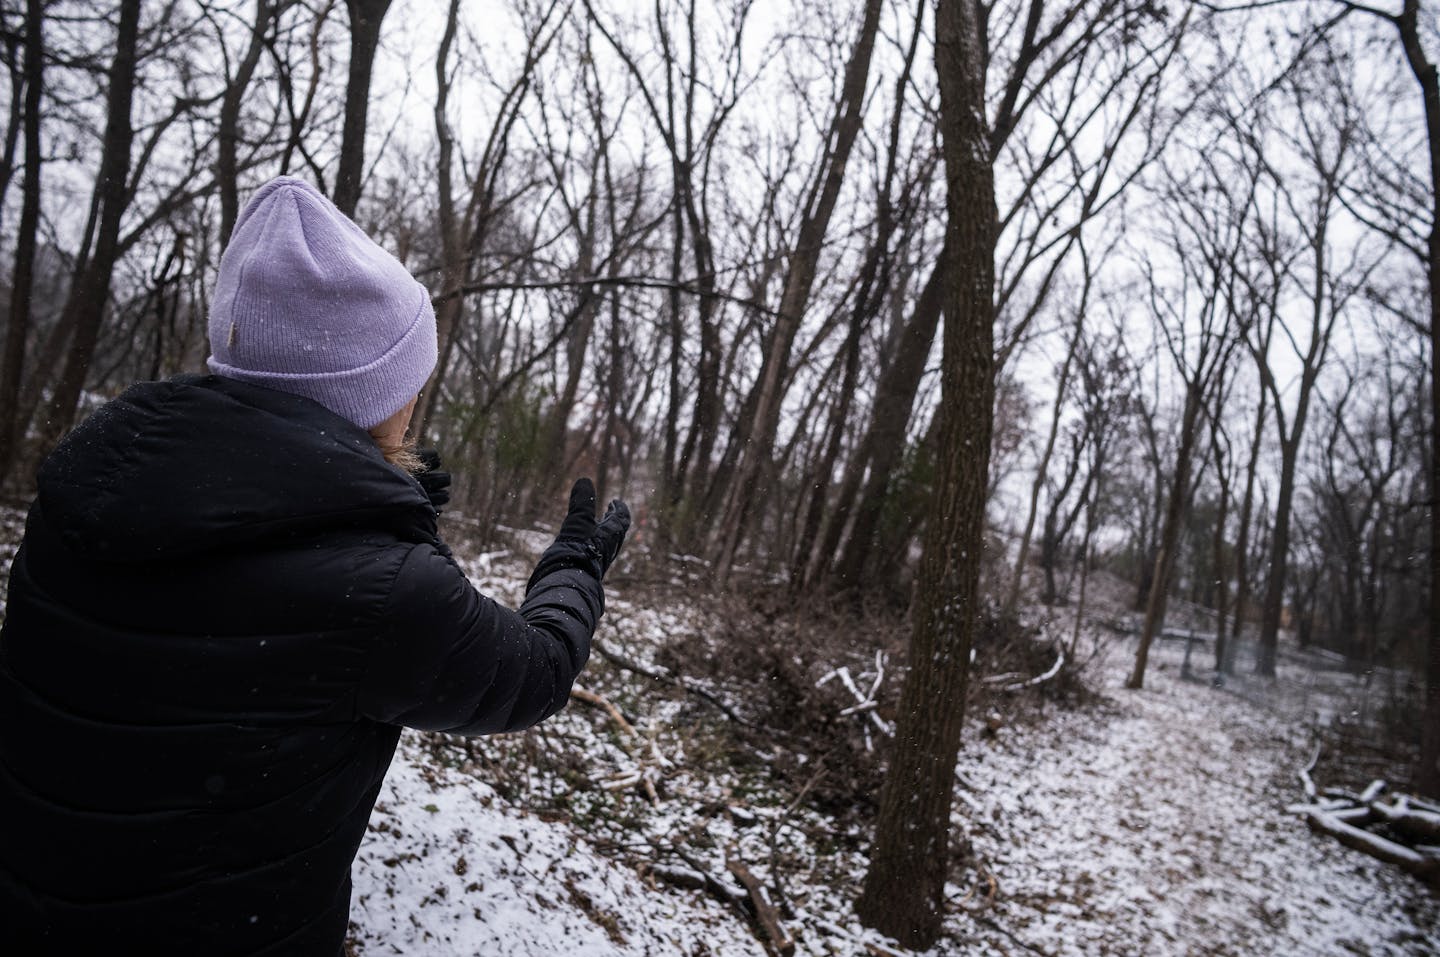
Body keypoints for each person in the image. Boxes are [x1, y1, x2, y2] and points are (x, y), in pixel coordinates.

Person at [0, 176, 629, 955]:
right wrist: (574, 567)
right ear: (366, 394)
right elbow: (530, 675)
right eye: (407, 380)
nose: (416, 399)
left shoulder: (82, 491)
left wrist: (378, 505)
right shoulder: (383, 592)